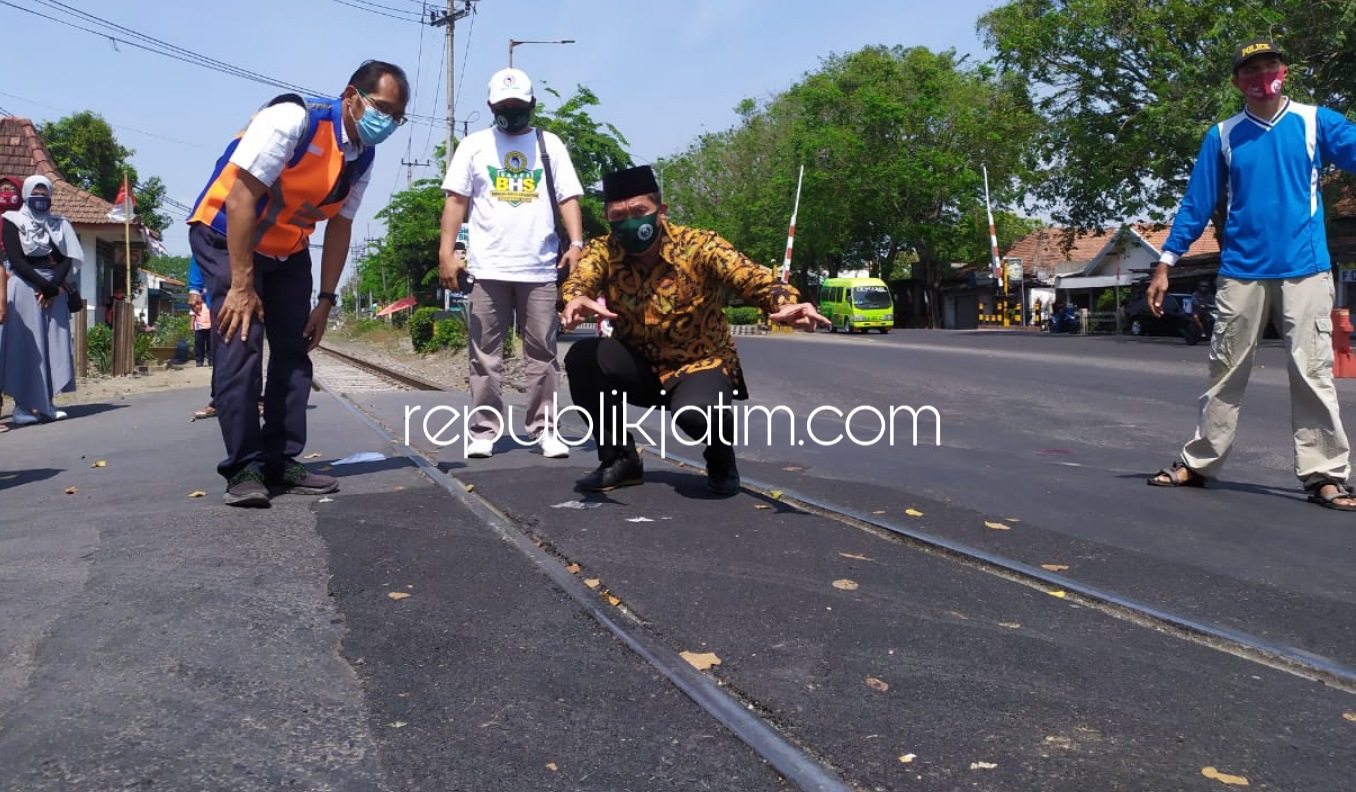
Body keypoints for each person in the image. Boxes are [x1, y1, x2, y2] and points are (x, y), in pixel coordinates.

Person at [1145, 38, 1356, 511]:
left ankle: (1326, 475)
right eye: (1251, 70)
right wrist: (1166, 262)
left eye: (1270, 65)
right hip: (1242, 272)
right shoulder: (1223, 136)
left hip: (1306, 270)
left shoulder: (1315, 122)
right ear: (1237, 81)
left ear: (1285, 70)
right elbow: (1197, 204)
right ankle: (1199, 463)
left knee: (1312, 373)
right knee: (1225, 371)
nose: (1262, 76)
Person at [187, 60, 410, 506]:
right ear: (351, 96)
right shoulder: (294, 120)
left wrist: (325, 300)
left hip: (288, 249)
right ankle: (244, 467)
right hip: (228, 236)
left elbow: (341, 226)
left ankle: (281, 461)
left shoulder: (362, 156)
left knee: (293, 349)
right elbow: (241, 197)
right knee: (241, 343)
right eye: (382, 108)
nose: (387, 122)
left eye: (397, 117)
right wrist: (242, 286)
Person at [560, 165, 829, 494]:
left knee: (695, 416)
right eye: (618, 216)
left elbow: (751, 276)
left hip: (698, 365)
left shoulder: (700, 245)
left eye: (639, 212)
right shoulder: (603, 250)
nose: (630, 223)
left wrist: (786, 302)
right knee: (584, 357)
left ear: (661, 211)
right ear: (608, 219)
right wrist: (576, 297)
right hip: (639, 366)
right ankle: (620, 458)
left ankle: (720, 456)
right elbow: (582, 277)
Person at [437, 67, 584, 460]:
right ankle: (484, 430)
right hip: (487, 269)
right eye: (505, 106)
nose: (512, 112)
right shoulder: (474, 146)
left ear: (532, 104)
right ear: (491, 106)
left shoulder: (549, 145)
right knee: (485, 355)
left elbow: (568, 197)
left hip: (539, 269)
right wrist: (446, 253)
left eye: (518, 105)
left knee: (543, 355)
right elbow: (455, 201)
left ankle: (545, 428)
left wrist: (576, 243)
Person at [0, 175, 80, 426]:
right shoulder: (12, 220)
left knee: (53, 344)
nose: (40, 198)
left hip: (53, 288)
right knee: (26, 346)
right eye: (35, 193)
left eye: (44, 194)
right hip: (24, 286)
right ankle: (21, 407)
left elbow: (66, 257)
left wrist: (52, 287)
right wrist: (43, 285)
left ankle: (48, 404)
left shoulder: (59, 223)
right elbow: (16, 258)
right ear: (25, 194)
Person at [190, 260, 213, 368]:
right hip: (199, 327)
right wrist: (191, 325)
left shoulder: (210, 302)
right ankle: (199, 360)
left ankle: (211, 359)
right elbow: (193, 314)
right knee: (199, 344)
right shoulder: (197, 303)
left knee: (211, 344)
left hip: (210, 326)